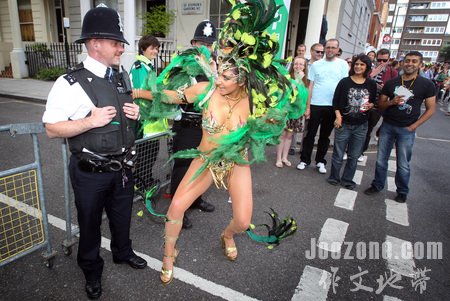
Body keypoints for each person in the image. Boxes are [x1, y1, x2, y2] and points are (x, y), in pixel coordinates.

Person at [152, 0, 304, 285]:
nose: (218, 79)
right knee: (175, 208)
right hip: (205, 160)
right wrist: (140, 93)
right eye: (218, 72)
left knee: (244, 221)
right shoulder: (207, 90)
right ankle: (169, 255)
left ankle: (227, 235)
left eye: (225, 76)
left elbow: (274, 123)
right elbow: (174, 97)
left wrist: (272, 120)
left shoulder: (254, 101)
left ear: (242, 78)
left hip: (236, 162)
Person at [42, 5, 146, 299]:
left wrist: (134, 114)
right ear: (95, 44)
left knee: (122, 216)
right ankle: (91, 269)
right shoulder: (70, 82)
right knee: (89, 224)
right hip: (91, 172)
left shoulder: (120, 76)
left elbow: (123, 118)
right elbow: (51, 128)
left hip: (123, 168)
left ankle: (122, 252)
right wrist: (90, 121)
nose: (121, 50)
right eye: (116, 43)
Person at [364, 51, 436, 203]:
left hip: (407, 130)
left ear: (420, 64)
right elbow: (381, 104)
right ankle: (377, 185)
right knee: (381, 160)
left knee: (403, 163)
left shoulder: (426, 84)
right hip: (388, 126)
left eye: (414, 61)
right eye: (408, 61)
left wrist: (414, 126)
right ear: (403, 63)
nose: (410, 64)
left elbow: (431, 109)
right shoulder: (392, 83)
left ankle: (402, 191)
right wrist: (392, 102)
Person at [169, 20, 217, 229]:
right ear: (193, 43)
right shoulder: (182, 66)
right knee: (182, 168)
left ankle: (195, 200)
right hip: (188, 125)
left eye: (209, 44)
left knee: (203, 166)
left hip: (206, 127)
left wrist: (213, 73)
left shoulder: (214, 67)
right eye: (201, 43)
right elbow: (178, 96)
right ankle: (177, 209)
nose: (205, 48)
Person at [297, 38, 349, 174]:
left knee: (325, 136)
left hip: (333, 106)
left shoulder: (343, 65)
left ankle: (320, 161)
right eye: (328, 47)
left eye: (333, 47)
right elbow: (310, 86)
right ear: (325, 49)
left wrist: (340, 109)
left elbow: (344, 86)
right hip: (316, 104)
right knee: (310, 134)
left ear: (338, 50)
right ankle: (304, 160)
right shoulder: (316, 65)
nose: (330, 50)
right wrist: (307, 107)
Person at [327, 54, 376, 189]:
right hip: (343, 124)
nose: (358, 67)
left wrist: (371, 105)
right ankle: (334, 177)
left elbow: (373, 102)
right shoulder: (344, 82)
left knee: (354, 156)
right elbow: (335, 102)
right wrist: (338, 116)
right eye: (356, 64)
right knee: (338, 153)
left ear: (367, 67)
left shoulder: (371, 83)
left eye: (362, 64)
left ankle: (347, 179)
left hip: (361, 126)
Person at [129, 35, 168, 188]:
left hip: (149, 117)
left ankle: (144, 180)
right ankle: (141, 183)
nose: (156, 51)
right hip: (143, 117)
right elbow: (143, 92)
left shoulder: (147, 66)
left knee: (150, 151)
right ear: (143, 49)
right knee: (146, 152)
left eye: (157, 48)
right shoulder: (140, 66)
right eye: (152, 48)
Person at [361, 49, 398, 157]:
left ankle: (361, 152)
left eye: (384, 60)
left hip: (378, 105)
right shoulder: (369, 69)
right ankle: (350, 151)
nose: (381, 62)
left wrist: (385, 89)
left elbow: (397, 89)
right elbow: (360, 82)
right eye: (379, 59)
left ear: (389, 60)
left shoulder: (392, 72)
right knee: (358, 127)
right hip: (365, 101)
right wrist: (372, 75)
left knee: (368, 128)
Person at [276, 56, 308, 166]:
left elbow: (303, 98)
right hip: (285, 112)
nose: (298, 66)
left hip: (296, 114)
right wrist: (298, 79)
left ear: (304, 67)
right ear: (292, 65)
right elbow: (289, 93)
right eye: (296, 64)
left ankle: (285, 158)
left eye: (301, 64)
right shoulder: (287, 78)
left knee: (289, 136)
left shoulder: (304, 81)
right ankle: (278, 159)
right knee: (282, 135)